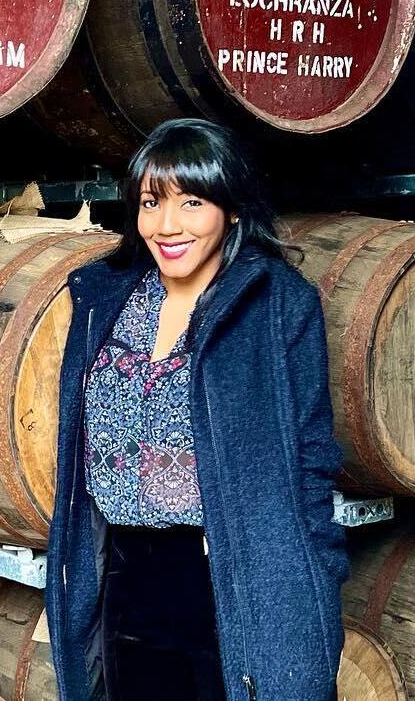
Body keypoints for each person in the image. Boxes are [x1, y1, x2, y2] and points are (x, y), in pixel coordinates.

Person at [44, 119, 349, 700]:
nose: (168, 226)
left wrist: (314, 598)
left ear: (231, 208)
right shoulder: (105, 299)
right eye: (151, 202)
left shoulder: (280, 305)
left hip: (232, 576)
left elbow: (312, 461)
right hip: (125, 576)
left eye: (192, 202)